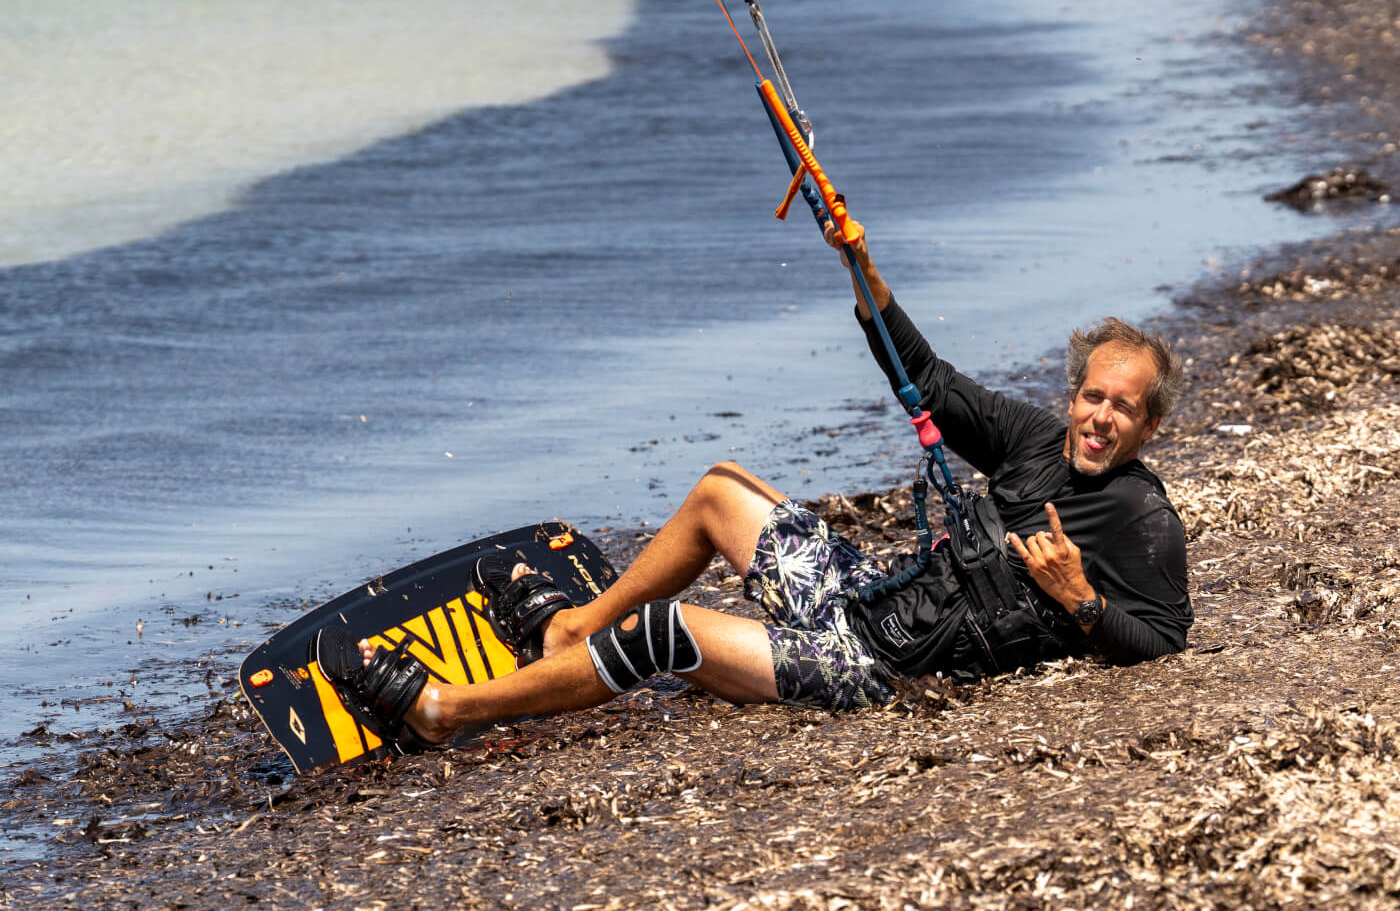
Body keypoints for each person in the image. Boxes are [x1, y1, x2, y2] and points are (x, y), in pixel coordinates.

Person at [315, 231, 1192, 750]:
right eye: (1093, 396)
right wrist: (858, 258)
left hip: (876, 668)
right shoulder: (1032, 438)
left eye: (1123, 408)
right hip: (862, 597)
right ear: (1073, 395)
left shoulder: (1143, 519)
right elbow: (918, 370)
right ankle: (574, 628)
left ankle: (444, 710)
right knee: (720, 490)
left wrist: (1079, 600)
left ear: (1148, 426)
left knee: (664, 633)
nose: (1101, 418)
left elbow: (1162, 642)